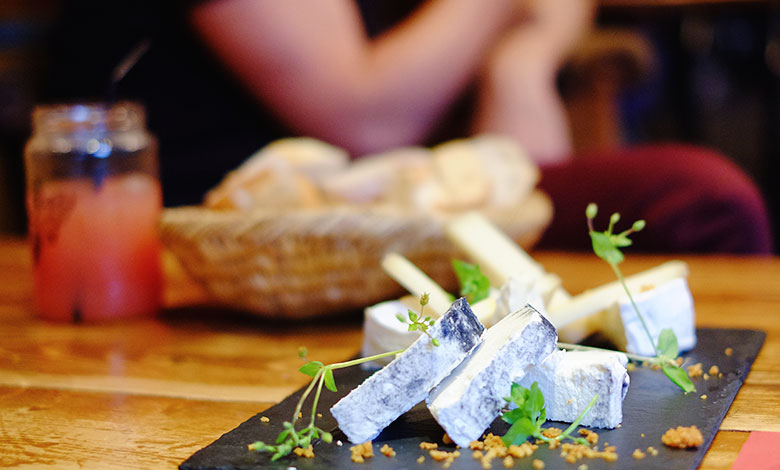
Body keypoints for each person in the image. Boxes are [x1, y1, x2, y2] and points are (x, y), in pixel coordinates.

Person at [42, 0, 773, 254]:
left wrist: (519, 63)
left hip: (407, 202)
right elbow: (366, 114)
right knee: (698, 197)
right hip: (239, 235)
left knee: (703, 201)